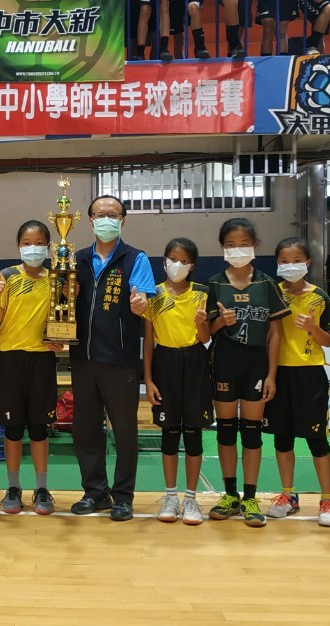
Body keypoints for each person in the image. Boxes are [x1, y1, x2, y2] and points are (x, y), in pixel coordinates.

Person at [70, 195, 154, 521]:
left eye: (113, 214)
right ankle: (95, 492)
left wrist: (140, 304)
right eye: (100, 214)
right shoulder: (76, 259)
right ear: (90, 220)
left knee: (124, 431)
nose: (106, 218)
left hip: (120, 360)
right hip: (83, 358)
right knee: (86, 430)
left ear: (122, 220)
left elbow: (143, 298)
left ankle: (122, 496)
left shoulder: (135, 258)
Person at [206, 218, 288, 526]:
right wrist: (221, 322)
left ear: (254, 246)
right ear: (222, 247)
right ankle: (230, 494)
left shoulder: (266, 284)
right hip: (225, 360)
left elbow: (275, 334)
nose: (237, 249)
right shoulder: (214, 284)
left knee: (252, 432)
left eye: (244, 244)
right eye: (231, 244)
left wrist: (271, 375)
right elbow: (207, 330)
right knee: (226, 429)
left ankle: (250, 497)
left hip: (256, 362)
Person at [0, 221, 61, 516]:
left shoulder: (57, 279)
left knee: (40, 427)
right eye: (27, 243)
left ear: (49, 246)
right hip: (9, 358)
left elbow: (62, 320)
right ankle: (13, 487)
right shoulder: (6, 277)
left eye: (40, 242)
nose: (34, 248)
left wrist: (60, 338)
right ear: (18, 246)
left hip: (42, 359)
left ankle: (41, 488)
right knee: (14, 428)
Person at [265, 237, 330, 527]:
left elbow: (328, 340)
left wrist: (312, 327)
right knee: (282, 439)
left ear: (308, 262)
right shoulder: (272, 293)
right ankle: (288, 495)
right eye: (284, 261)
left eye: (296, 260)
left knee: (317, 440)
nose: (290, 265)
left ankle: (327, 499)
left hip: (310, 374)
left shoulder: (319, 296)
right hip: (279, 374)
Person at [143, 237, 212, 525]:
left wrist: (201, 324)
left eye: (184, 260)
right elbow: (148, 341)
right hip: (165, 363)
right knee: (169, 432)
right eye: (173, 258)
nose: (177, 264)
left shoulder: (203, 293)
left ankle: (192, 498)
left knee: (193, 432)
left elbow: (206, 339)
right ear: (164, 261)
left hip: (195, 362)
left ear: (192, 265)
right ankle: (171, 496)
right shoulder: (154, 294)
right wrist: (148, 380)